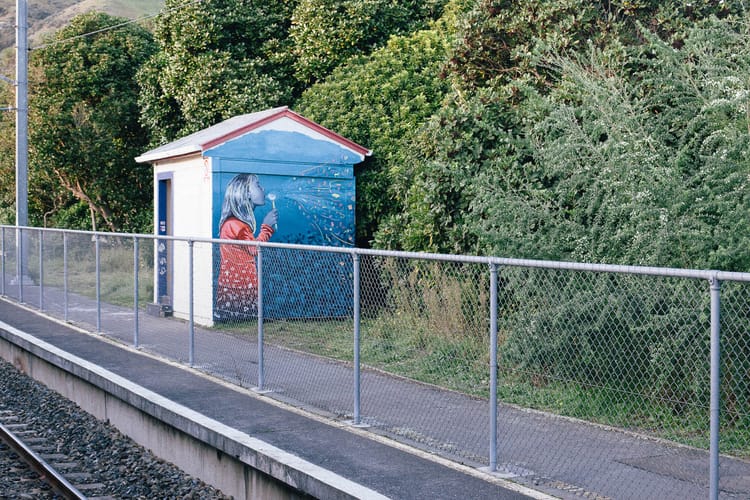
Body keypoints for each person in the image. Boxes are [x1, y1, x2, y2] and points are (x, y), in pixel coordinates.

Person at [215, 174, 278, 321]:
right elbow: (255, 249)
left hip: (236, 280)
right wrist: (267, 227)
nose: (263, 189)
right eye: (257, 185)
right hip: (240, 282)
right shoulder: (238, 225)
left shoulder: (233, 223)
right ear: (246, 193)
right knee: (242, 312)